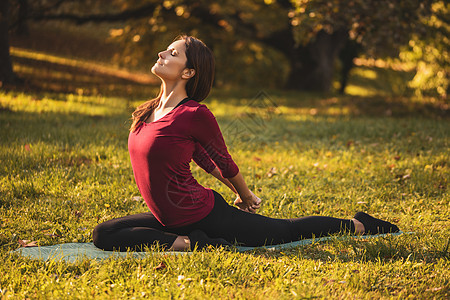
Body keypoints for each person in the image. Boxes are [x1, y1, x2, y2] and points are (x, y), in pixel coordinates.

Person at [92, 35, 399, 251]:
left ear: (188, 72)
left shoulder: (195, 114)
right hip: (168, 217)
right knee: (104, 233)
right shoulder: (149, 109)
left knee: (285, 231)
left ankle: (360, 225)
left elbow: (222, 161)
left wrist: (245, 194)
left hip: (200, 212)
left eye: (173, 53)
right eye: (166, 50)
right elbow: (200, 159)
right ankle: (191, 243)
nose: (161, 54)